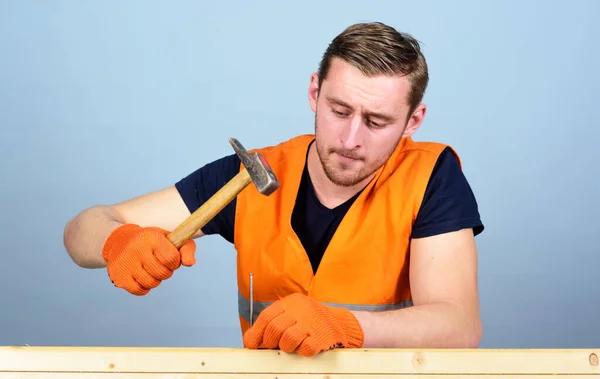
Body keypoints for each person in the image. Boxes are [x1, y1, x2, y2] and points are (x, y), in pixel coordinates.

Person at [63, 21, 485, 357]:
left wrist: (346, 325)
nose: (351, 138)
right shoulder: (248, 176)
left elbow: (460, 326)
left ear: (414, 120)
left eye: (377, 122)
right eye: (339, 110)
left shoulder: (432, 176)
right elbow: (82, 230)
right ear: (314, 92)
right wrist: (116, 241)